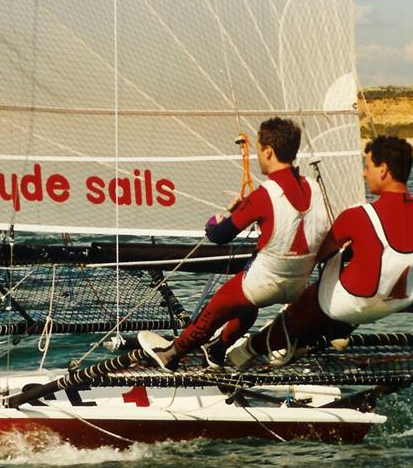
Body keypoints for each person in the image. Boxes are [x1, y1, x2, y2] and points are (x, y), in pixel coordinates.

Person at [227, 135, 413, 370]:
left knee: (310, 297)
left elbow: (316, 254)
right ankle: (327, 334)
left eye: (367, 167)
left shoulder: (357, 216)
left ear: (383, 170)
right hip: (395, 303)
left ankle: (249, 349)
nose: (364, 174)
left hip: (353, 303)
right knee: (353, 268)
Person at [139, 117, 330, 371]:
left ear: (268, 151)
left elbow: (219, 235)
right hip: (297, 286)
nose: (258, 156)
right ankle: (217, 351)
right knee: (246, 309)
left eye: (259, 150)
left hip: (265, 280)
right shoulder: (316, 188)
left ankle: (171, 354)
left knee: (215, 310)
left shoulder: (265, 193)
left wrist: (217, 219)